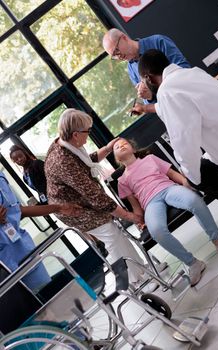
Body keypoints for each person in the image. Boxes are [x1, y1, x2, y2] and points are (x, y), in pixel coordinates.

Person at [45, 108, 153, 287]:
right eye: (87, 131)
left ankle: (142, 269)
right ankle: (135, 281)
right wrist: (128, 215)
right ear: (75, 134)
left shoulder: (69, 144)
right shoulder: (62, 161)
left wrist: (109, 148)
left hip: (83, 200)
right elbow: (95, 196)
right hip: (73, 209)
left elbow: (89, 161)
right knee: (112, 236)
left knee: (117, 235)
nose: (89, 135)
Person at [113, 138, 218, 286]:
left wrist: (184, 182)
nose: (121, 145)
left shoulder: (150, 158)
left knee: (194, 201)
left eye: (124, 143)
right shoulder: (122, 180)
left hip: (168, 188)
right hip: (150, 203)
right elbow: (135, 206)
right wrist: (140, 220)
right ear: (117, 158)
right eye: (117, 147)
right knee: (157, 231)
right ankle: (193, 263)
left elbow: (171, 173)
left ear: (134, 148)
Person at [131, 49, 218, 207]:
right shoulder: (193, 73)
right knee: (204, 165)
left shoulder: (167, 91)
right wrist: (145, 108)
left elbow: (184, 141)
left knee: (198, 176)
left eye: (142, 81)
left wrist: (189, 176)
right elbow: (177, 106)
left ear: (148, 77)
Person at [0, 171, 81, 292]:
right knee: (24, 306)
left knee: (47, 296)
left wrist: (58, 207)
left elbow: (18, 210)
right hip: (4, 263)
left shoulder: (1, 177)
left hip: (23, 250)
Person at [102, 28, 190, 104]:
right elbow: (154, 105)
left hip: (189, 94)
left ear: (124, 38)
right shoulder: (131, 69)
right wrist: (149, 97)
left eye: (116, 50)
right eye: (114, 56)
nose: (118, 56)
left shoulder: (158, 41)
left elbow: (184, 68)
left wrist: (158, 85)